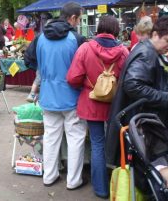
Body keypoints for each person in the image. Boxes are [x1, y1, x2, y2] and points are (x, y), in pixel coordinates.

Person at [66, 16, 129, 199]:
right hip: (116, 106)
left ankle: (100, 189)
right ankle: (120, 185)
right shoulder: (124, 51)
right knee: (118, 143)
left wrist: (86, 86)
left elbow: (72, 78)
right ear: (116, 30)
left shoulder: (85, 48)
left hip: (92, 102)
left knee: (97, 144)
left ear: (99, 28)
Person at [106, 16, 168, 167]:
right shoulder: (146, 54)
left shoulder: (149, 50)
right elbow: (133, 85)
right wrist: (167, 97)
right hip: (140, 123)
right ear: (155, 35)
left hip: (141, 120)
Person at [36, 2, 87, 189]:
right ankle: (74, 181)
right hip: (71, 97)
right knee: (75, 138)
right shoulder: (77, 39)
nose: (79, 22)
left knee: (50, 137)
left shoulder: (40, 37)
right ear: (72, 18)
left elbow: (30, 60)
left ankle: (49, 176)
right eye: (79, 19)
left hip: (48, 96)